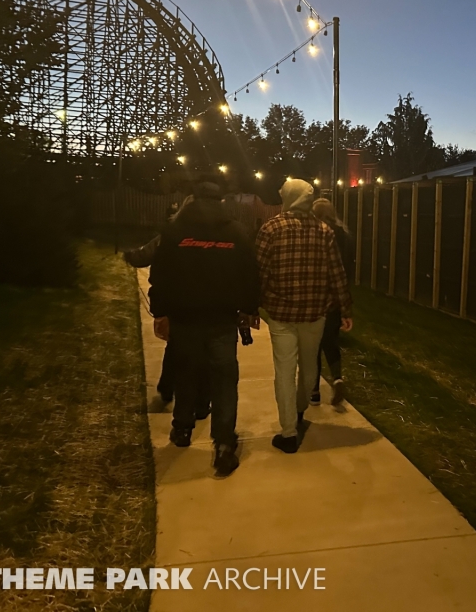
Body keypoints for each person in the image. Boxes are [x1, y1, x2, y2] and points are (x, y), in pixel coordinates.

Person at [148, 181, 260, 477]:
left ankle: (182, 429)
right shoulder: (236, 233)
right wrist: (249, 308)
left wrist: (160, 312)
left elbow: (160, 274)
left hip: (184, 317)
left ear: (193, 199)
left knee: (186, 373)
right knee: (224, 380)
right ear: (220, 201)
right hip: (221, 319)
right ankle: (223, 443)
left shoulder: (174, 231)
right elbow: (250, 273)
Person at [255, 179, 353, 454]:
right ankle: (299, 410)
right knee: (309, 367)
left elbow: (259, 272)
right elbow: (336, 272)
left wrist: (251, 307)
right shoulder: (324, 231)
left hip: (281, 314)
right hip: (315, 313)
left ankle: (288, 431)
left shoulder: (270, 228)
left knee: (284, 371)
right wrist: (345, 309)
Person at [123, 196, 207, 411]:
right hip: (204, 301)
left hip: (177, 300)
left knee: (176, 345)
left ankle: (168, 387)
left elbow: (144, 256)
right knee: (202, 350)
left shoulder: (170, 235)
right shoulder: (215, 236)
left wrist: (130, 256)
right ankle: (198, 398)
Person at [309, 198, 354, 406]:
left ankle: (314, 391)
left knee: (314, 344)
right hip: (336, 294)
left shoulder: (318, 232)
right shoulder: (344, 233)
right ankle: (337, 378)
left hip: (317, 294)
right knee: (331, 340)